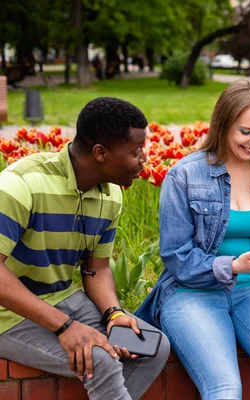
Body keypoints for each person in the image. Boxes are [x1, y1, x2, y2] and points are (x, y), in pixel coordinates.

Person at [135, 79, 250, 400]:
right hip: (192, 293)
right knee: (224, 387)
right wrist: (231, 266)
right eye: (245, 131)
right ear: (223, 124)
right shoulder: (185, 175)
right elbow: (176, 257)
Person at [0, 97, 170, 400]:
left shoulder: (110, 195)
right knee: (99, 358)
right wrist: (66, 327)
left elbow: (97, 268)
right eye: (135, 151)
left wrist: (113, 313)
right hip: (6, 313)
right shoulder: (21, 185)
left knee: (152, 346)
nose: (144, 158)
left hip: (62, 297)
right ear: (100, 153)